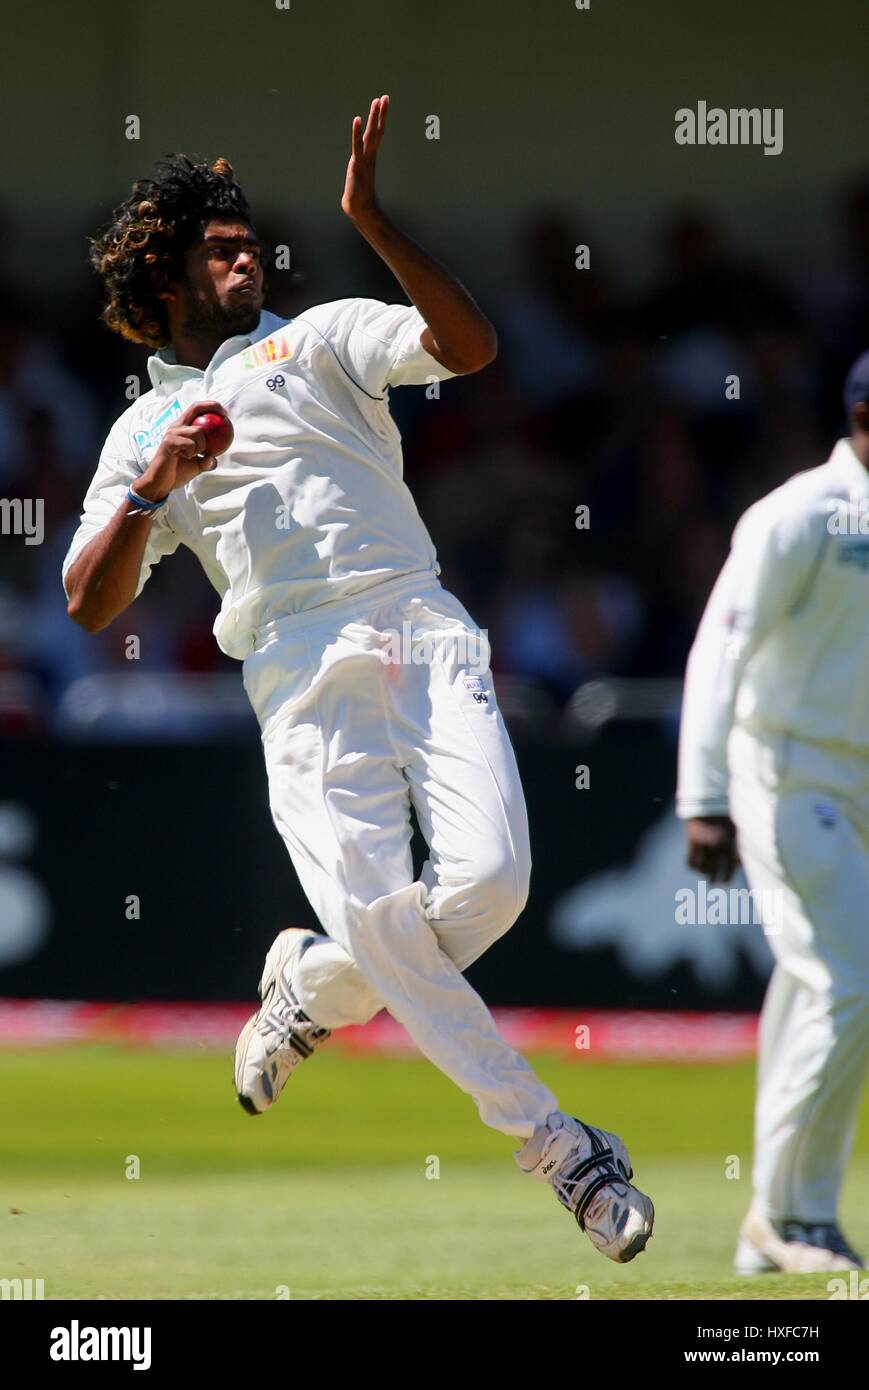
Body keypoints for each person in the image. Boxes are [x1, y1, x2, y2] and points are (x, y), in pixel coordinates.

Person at [64, 96, 653, 1264]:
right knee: (390, 915)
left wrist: (373, 220)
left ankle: (314, 987)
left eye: (249, 244)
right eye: (219, 249)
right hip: (295, 678)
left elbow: (467, 348)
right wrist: (153, 486)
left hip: (419, 626)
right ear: (168, 278)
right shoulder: (145, 429)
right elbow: (90, 599)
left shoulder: (320, 334)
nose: (245, 259)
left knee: (489, 884)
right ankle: (559, 1148)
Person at [677, 352, 869, 1273]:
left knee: (814, 985)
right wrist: (703, 797)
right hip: (789, 777)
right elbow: (722, 648)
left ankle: (776, 1224)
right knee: (849, 981)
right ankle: (791, 1218)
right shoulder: (800, 514)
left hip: (861, 781)